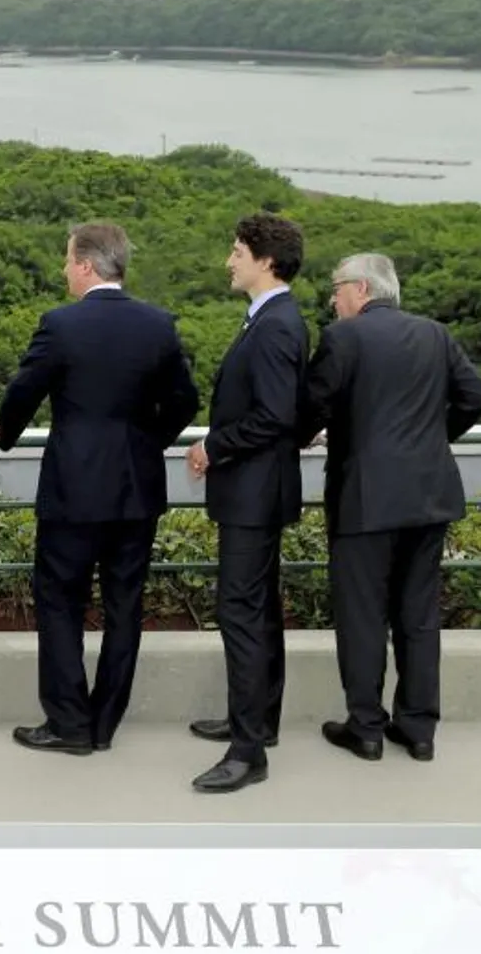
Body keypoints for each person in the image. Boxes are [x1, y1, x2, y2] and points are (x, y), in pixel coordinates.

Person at [0, 222, 199, 755]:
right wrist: (146, 442)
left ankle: (68, 723)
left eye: (68, 261)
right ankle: (105, 723)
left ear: (86, 264)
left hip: (73, 491)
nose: (65, 270)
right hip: (136, 490)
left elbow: (23, 393)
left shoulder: (60, 325)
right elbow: (185, 401)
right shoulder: (158, 325)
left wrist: (5, 436)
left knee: (58, 600)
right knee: (124, 607)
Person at [299, 253, 481, 764]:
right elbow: (476, 394)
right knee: (419, 615)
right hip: (429, 494)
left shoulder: (344, 338)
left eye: (336, 288)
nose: (332, 298)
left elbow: (312, 405)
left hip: (364, 497)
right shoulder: (435, 334)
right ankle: (419, 728)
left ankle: (365, 726)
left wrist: (302, 438)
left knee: (362, 616)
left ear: (361, 289)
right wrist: (434, 439)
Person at [184, 214, 310, 793]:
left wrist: (213, 445)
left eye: (237, 251)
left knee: (241, 612)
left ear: (265, 260)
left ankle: (248, 751)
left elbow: (275, 417)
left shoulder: (277, 324)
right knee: (259, 610)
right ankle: (257, 723)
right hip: (257, 491)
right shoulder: (271, 318)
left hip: (253, 494)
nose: (228, 261)